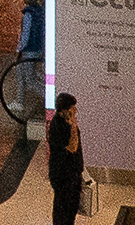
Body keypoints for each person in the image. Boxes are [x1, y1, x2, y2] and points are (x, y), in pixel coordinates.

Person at [45, 92, 85, 225]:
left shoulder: (68, 122)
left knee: (72, 208)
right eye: (73, 108)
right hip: (63, 175)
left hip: (73, 173)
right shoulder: (58, 125)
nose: (75, 110)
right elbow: (72, 147)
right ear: (65, 110)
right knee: (63, 209)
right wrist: (73, 125)